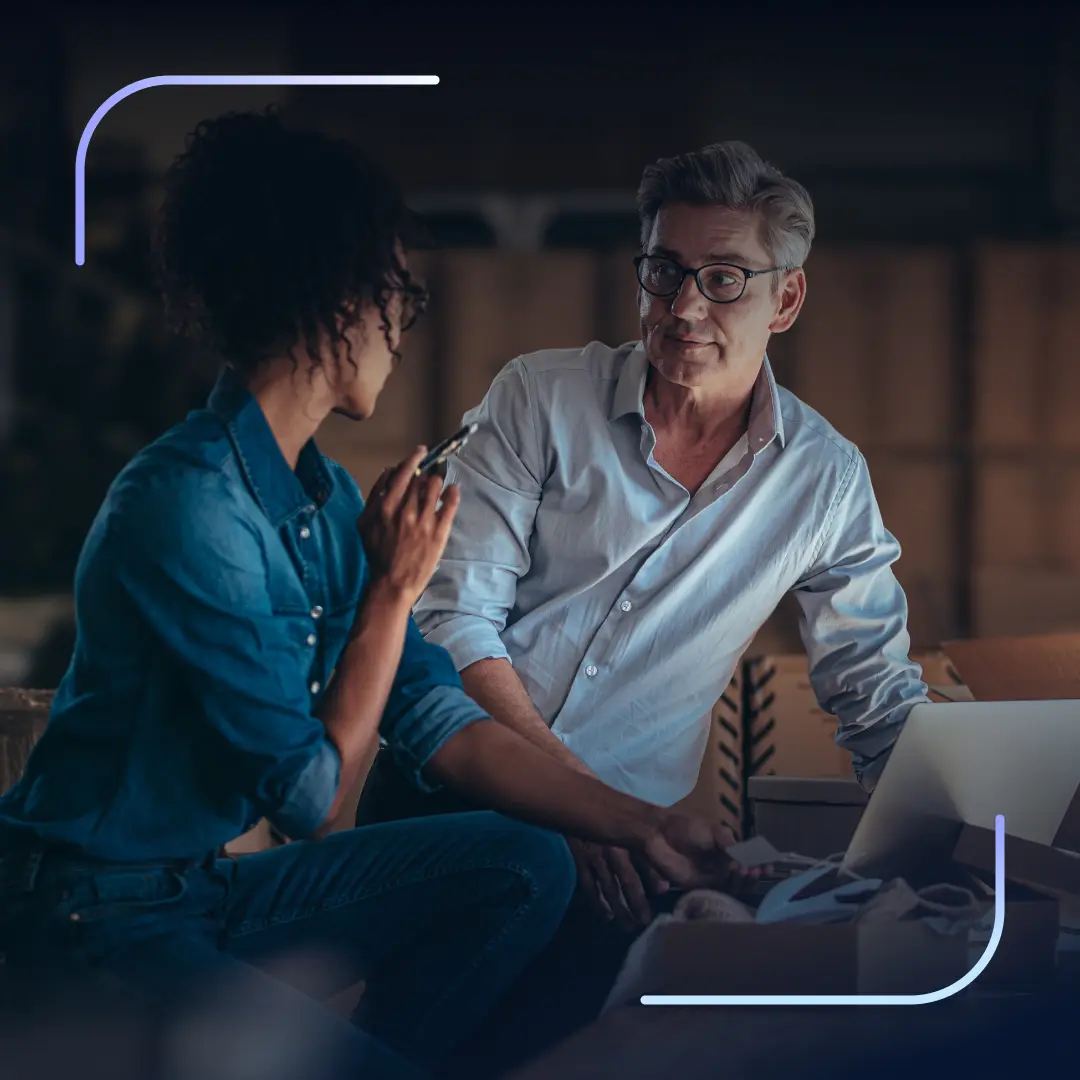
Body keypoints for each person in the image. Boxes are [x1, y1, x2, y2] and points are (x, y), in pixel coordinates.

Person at [0, 110, 749, 1080]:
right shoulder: (187, 506)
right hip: (88, 917)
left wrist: (647, 827)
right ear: (338, 296)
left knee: (524, 862)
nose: (401, 326)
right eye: (399, 293)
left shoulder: (316, 497)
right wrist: (392, 596)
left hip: (200, 891)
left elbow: (441, 719)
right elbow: (314, 798)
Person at [357, 139, 932, 1069]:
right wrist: (580, 807)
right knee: (409, 1055)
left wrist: (976, 835)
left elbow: (874, 693)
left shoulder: (823, 482)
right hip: (449, 798)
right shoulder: (540, 399)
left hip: (631, 861)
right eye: (664, 272)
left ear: (785, 300)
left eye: (722, 278)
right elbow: (449, 621)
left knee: (563, 1056)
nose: (684, 306)